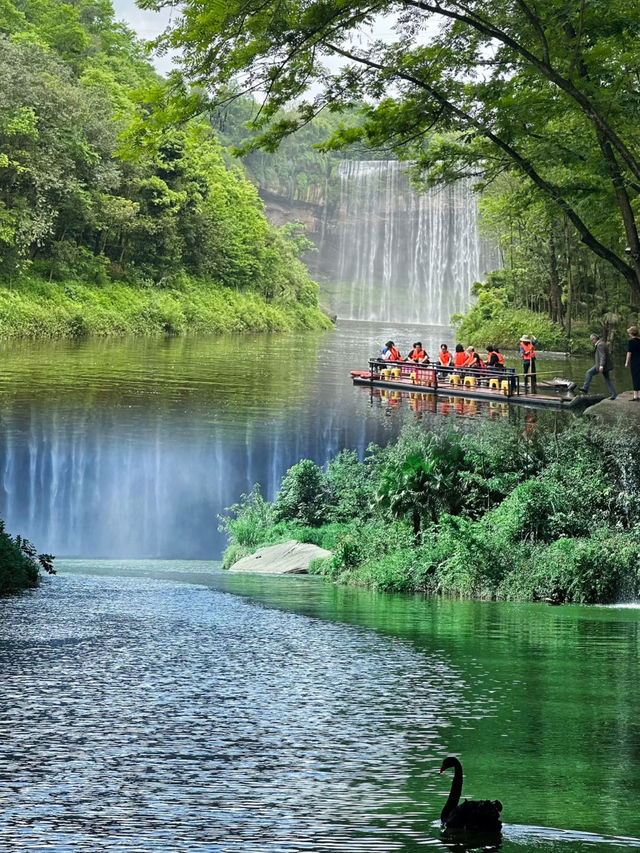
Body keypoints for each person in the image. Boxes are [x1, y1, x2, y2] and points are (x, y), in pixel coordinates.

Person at [580, 333, 617, 399]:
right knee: (607, 379)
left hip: (602, 365)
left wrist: (601, 365)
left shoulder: (600, 345)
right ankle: (613, 394)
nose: (591, 341)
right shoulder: (602, 343)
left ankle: (585, 388)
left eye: (591, 340)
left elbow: (603, 356)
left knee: (589, 373)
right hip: (604, 365)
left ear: (594, 339)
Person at [624, 325, 640, 401]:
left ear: (631, 333)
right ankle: (639, 395)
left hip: (634, 361)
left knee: (634, 377)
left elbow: (629, 353)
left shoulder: (631, 342)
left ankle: (635, 396)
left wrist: (626, 362)